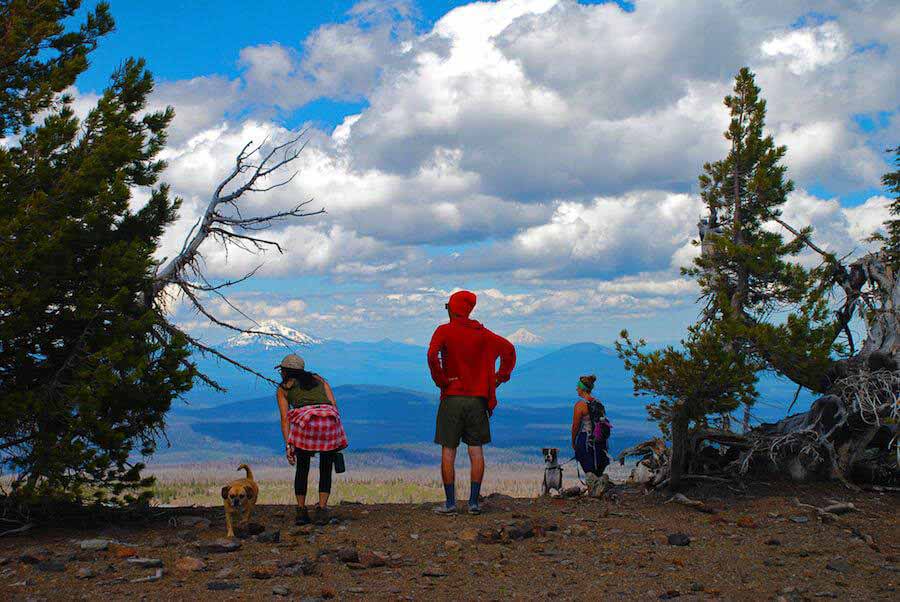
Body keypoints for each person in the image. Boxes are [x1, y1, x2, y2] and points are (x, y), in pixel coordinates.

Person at [427, 290, 516, 515]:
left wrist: (442, 380)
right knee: (476, 451)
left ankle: (450, 504)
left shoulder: (444, 331)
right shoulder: (483, 335)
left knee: (449, 451)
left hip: (452, 398)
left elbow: (431, 355)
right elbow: (509, 350)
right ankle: (474, 503)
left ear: (452, 308)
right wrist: (499, 378)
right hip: (477, 400)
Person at [276, 354, 347, 526]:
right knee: (326, 466)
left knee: (302, 467)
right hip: (328, 421)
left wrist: (288, 444)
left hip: (306, 424)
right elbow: (333, 403)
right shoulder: (318, 379)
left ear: (285, 371)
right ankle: (322, 509)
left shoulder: (284, 388)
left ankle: (301, 511)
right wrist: (334, 430)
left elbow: (285, 418)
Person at [571, 374, 610, 480]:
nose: (576, 389)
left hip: (586, 442)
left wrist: (573, 442)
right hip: (601, 443)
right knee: (598, 473)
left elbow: (575, 426)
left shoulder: (580, 405)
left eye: (578, 387)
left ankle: (593, 490)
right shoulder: (598, 403)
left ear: (583, 389)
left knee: (589, 473)